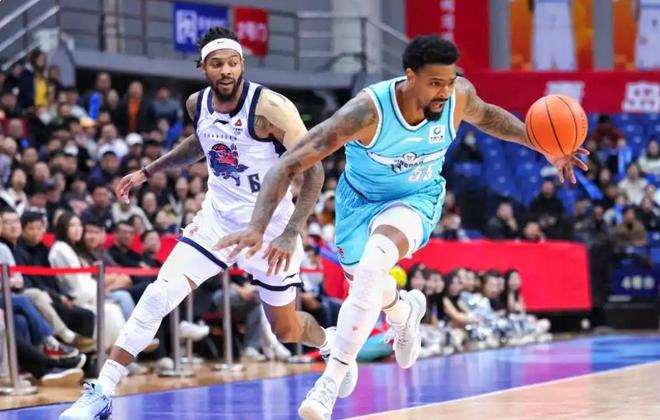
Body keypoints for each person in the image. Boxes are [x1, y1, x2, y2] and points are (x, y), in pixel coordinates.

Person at [216, 35, 588, 419]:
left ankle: (329, 381)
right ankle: (402, 310)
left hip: (416, 198)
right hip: (358, 203)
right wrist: (260, 225)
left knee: (374, 265)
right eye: (435, 83)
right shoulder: (366, 112)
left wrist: (544, 145)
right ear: (410, 77)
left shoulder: (457, 97)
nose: (445, 92)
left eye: (449, 81)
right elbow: (288, 163)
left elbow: (489, 116)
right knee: (369, 284)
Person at [59, 26, 356, 420]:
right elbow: (201, 143)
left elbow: (314, 169)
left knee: (285, 330)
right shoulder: (196, 104)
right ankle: (102, 391)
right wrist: (147, 171)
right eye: (217, 64)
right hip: (217, 221)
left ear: (242, 65)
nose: (226, 70)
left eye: (233, 63)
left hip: (271, 230)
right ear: (203, 67)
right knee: (158, 295)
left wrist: (290, 233)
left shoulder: (270, 108)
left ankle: (328, 342)